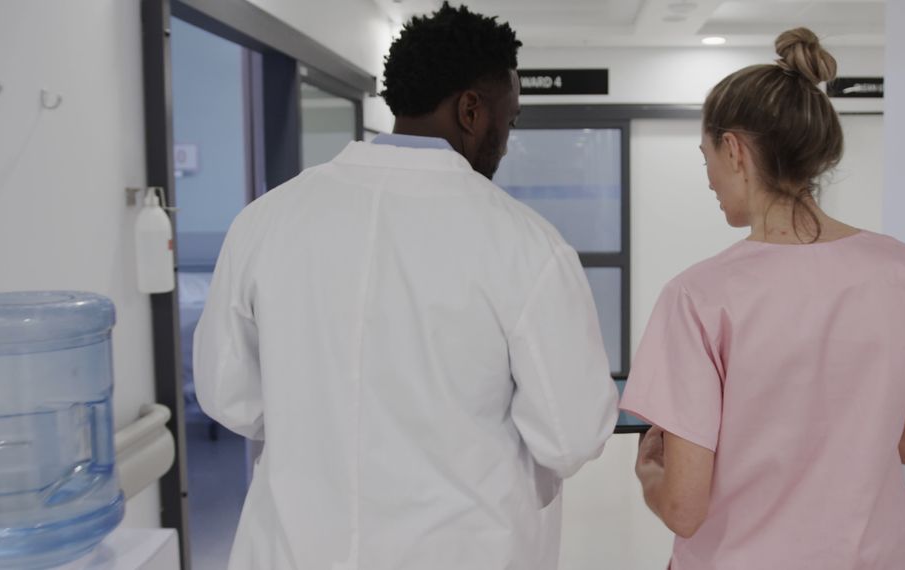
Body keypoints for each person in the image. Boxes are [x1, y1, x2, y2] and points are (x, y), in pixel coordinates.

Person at [193, 4, 619, 568]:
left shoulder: (266, 221)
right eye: (508, 121)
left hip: (295, 549)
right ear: (471, 110)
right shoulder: (525, 244)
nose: (507, 141)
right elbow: (570, 435)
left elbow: (230, 397)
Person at [620, 27, 905, 569]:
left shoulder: (698, 296)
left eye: (705, 154)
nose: (709, 176)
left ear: (733, 150)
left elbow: (685, 508)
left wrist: (649, 476)